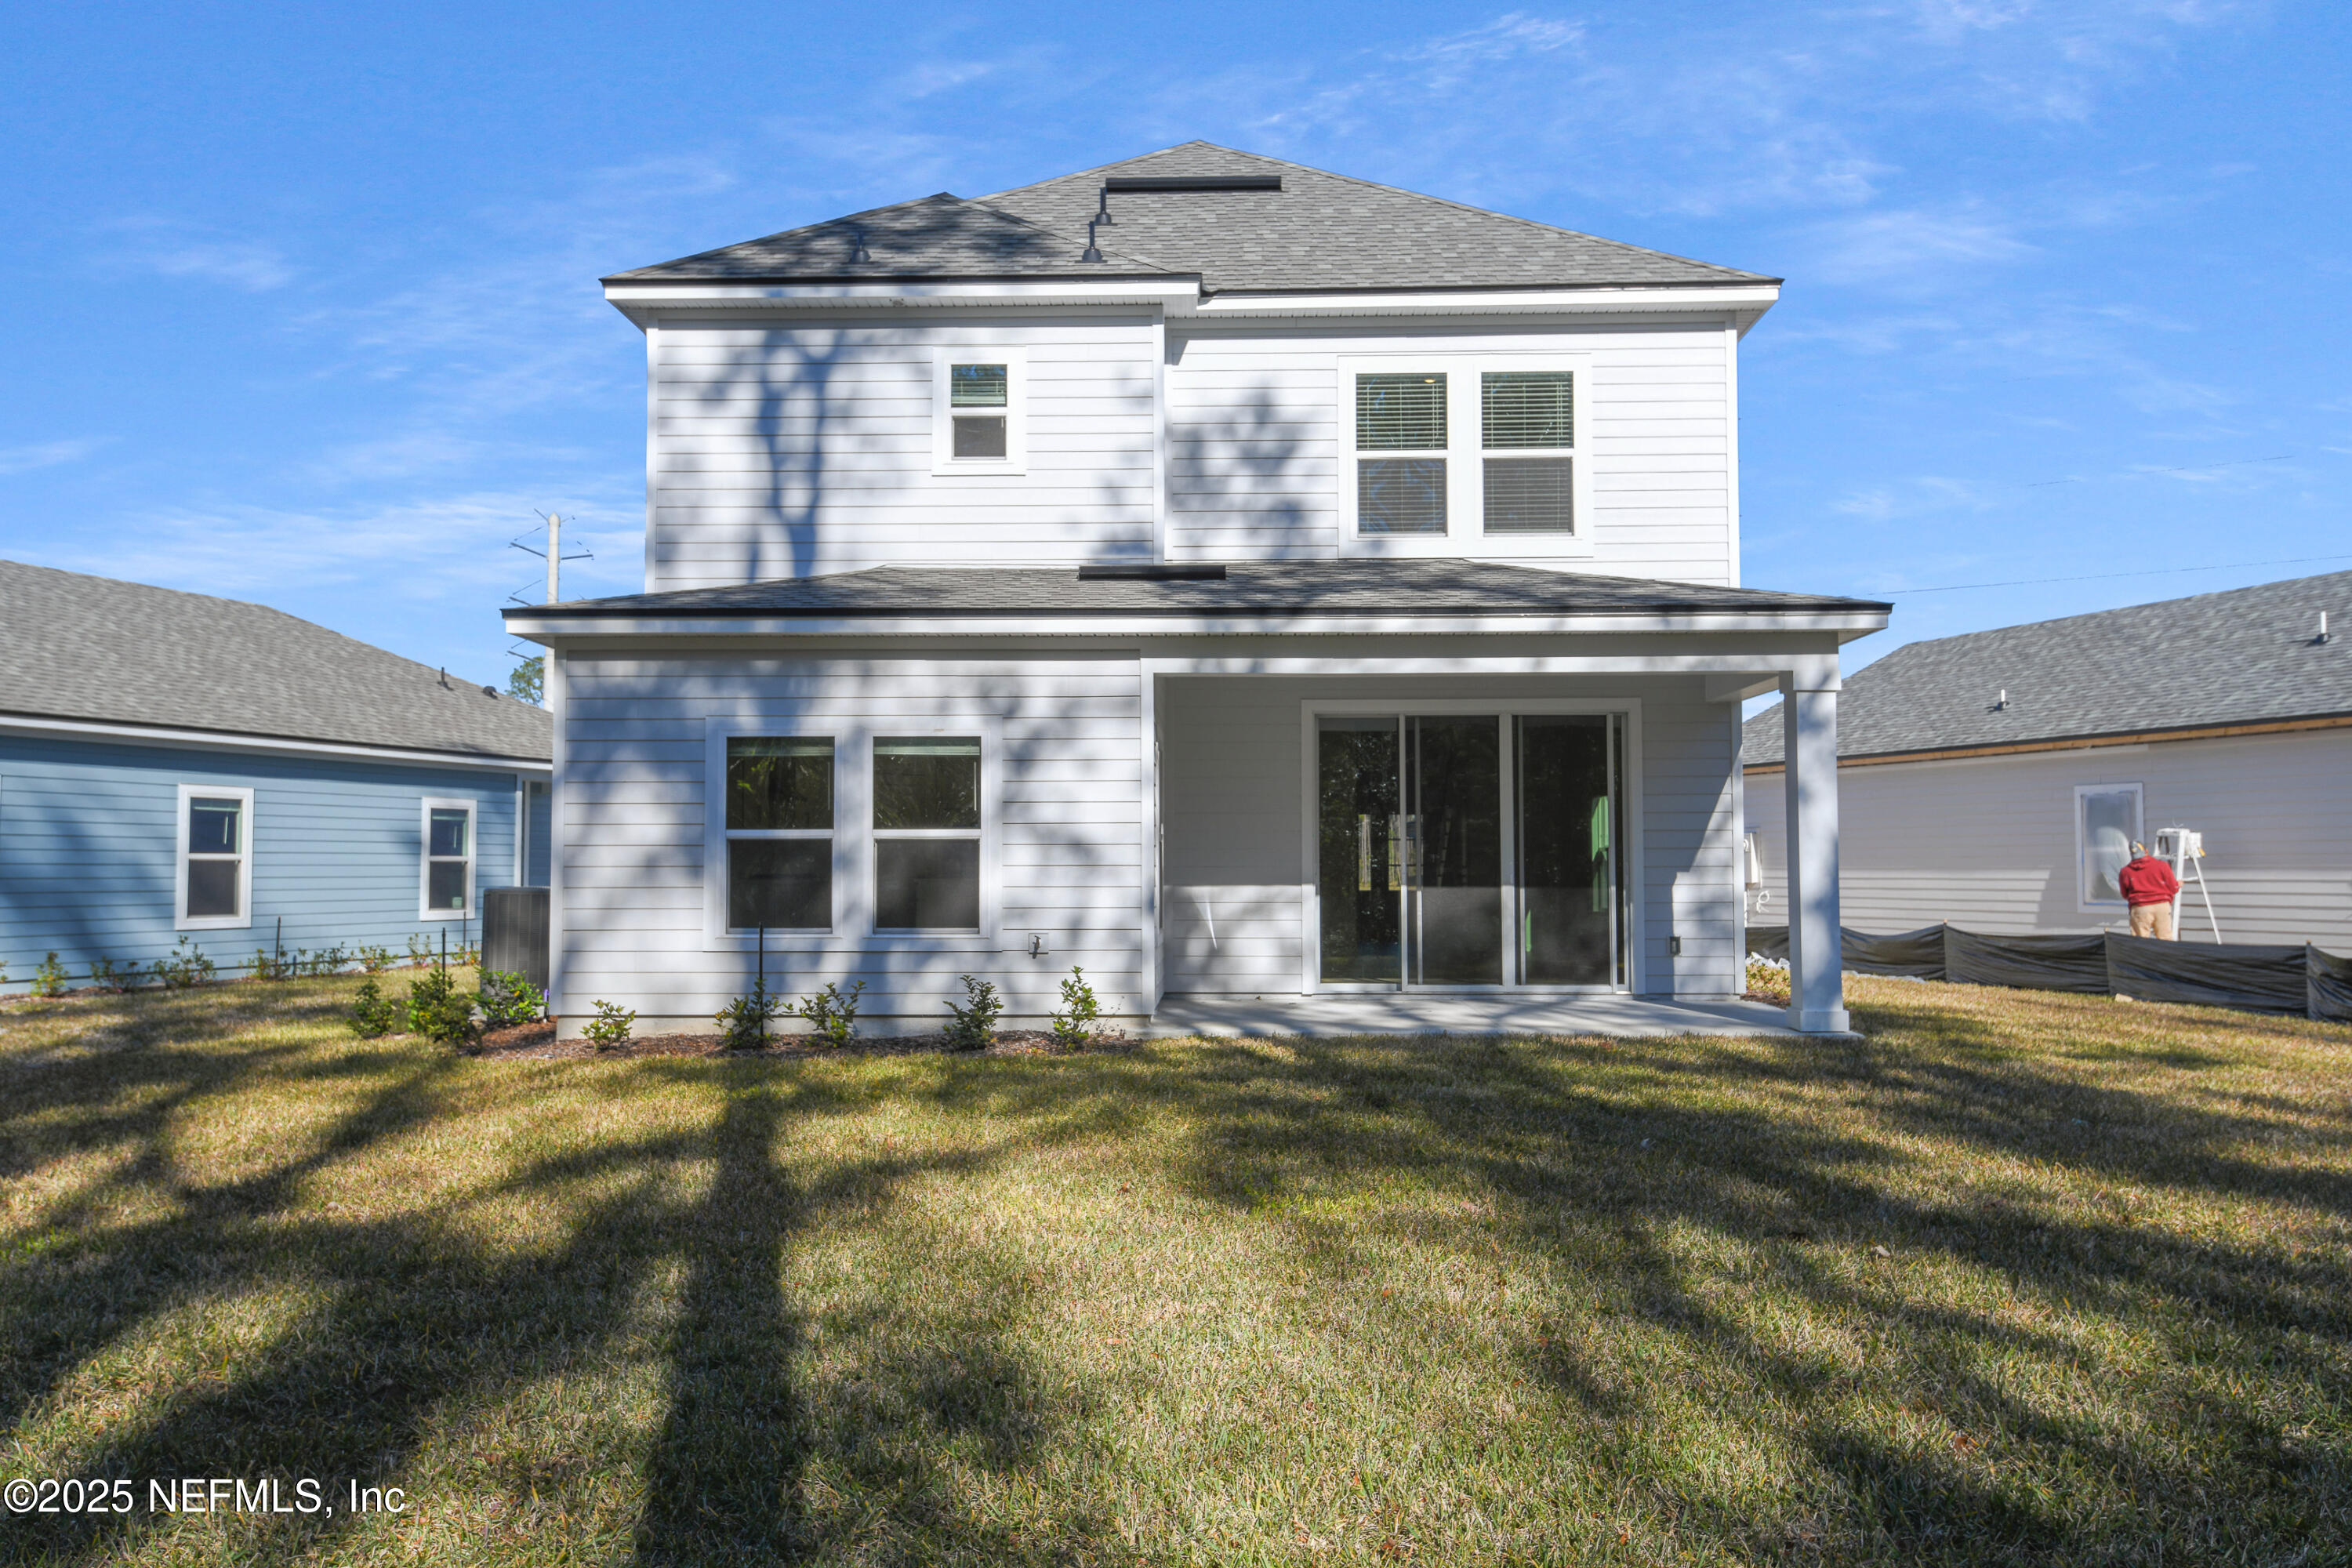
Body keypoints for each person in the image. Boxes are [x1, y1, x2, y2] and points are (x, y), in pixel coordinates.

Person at [2118, 840, 2183, 940]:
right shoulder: (2162, 866)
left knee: (2140, 942)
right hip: (2162, 906)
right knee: (2165, 940)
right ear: (2146, 851)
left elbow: (2124, 894)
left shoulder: (2125, 871)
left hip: (2140, 908)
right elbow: (2173, 888)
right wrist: (2178, 885)